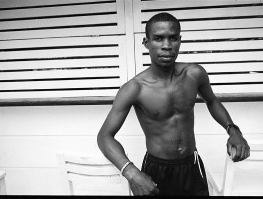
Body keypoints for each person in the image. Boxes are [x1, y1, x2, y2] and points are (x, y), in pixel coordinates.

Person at [97, 12, 250, 196]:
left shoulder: (195, 74)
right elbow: (104, 136)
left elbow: (212, 101)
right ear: (146, 43)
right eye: (158, 39)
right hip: (156, 170)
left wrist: (233, 130)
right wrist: (131, 173)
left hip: (191, 165)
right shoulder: (134, 88)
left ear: (180, 40)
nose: (167, 46)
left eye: (173, 38)